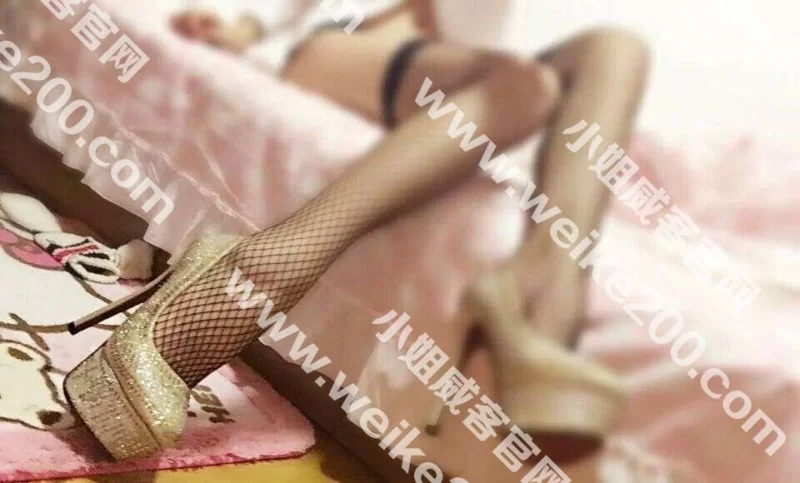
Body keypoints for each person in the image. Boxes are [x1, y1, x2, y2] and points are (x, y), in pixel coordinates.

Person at [64, 0, 650, 463]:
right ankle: (264, 264)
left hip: (459, 85)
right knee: (524, 87)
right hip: (343, 49)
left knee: (617, 47)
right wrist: (245, 25)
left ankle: (544, 309)